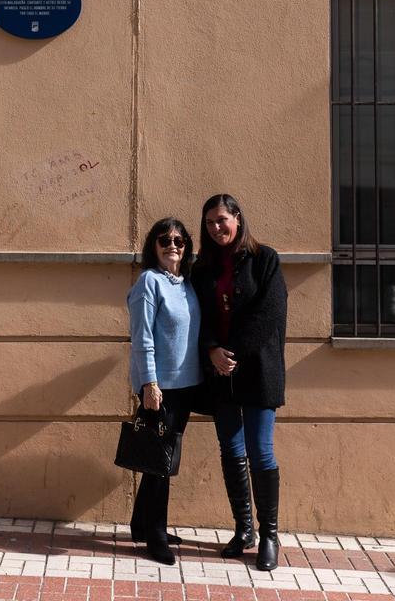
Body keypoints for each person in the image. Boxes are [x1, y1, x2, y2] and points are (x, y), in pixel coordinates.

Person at [191, 194, 288, 572]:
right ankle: (243, 529)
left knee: (260, 451)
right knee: (231, 450)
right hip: (220, 373)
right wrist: (213, 350)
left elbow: (270, 314)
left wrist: (232, 352)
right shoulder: (202, 269)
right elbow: (198, 316)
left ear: (237, 219)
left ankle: (269, 536)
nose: (217, 228)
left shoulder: (265, 259)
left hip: (257, 370)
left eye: (222, 220)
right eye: (210, 223)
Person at [126, 217, 203, 566]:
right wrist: (149, 383)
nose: (172, 245)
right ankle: (155, 534)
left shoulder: (186, 284)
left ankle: (140, 524)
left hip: (186, 386)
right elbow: (142, 337)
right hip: (161, 387)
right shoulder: (149, 282)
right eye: (164, 240)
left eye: (179, 240)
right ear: (153, 246)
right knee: (160, 465)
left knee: (160, 459)